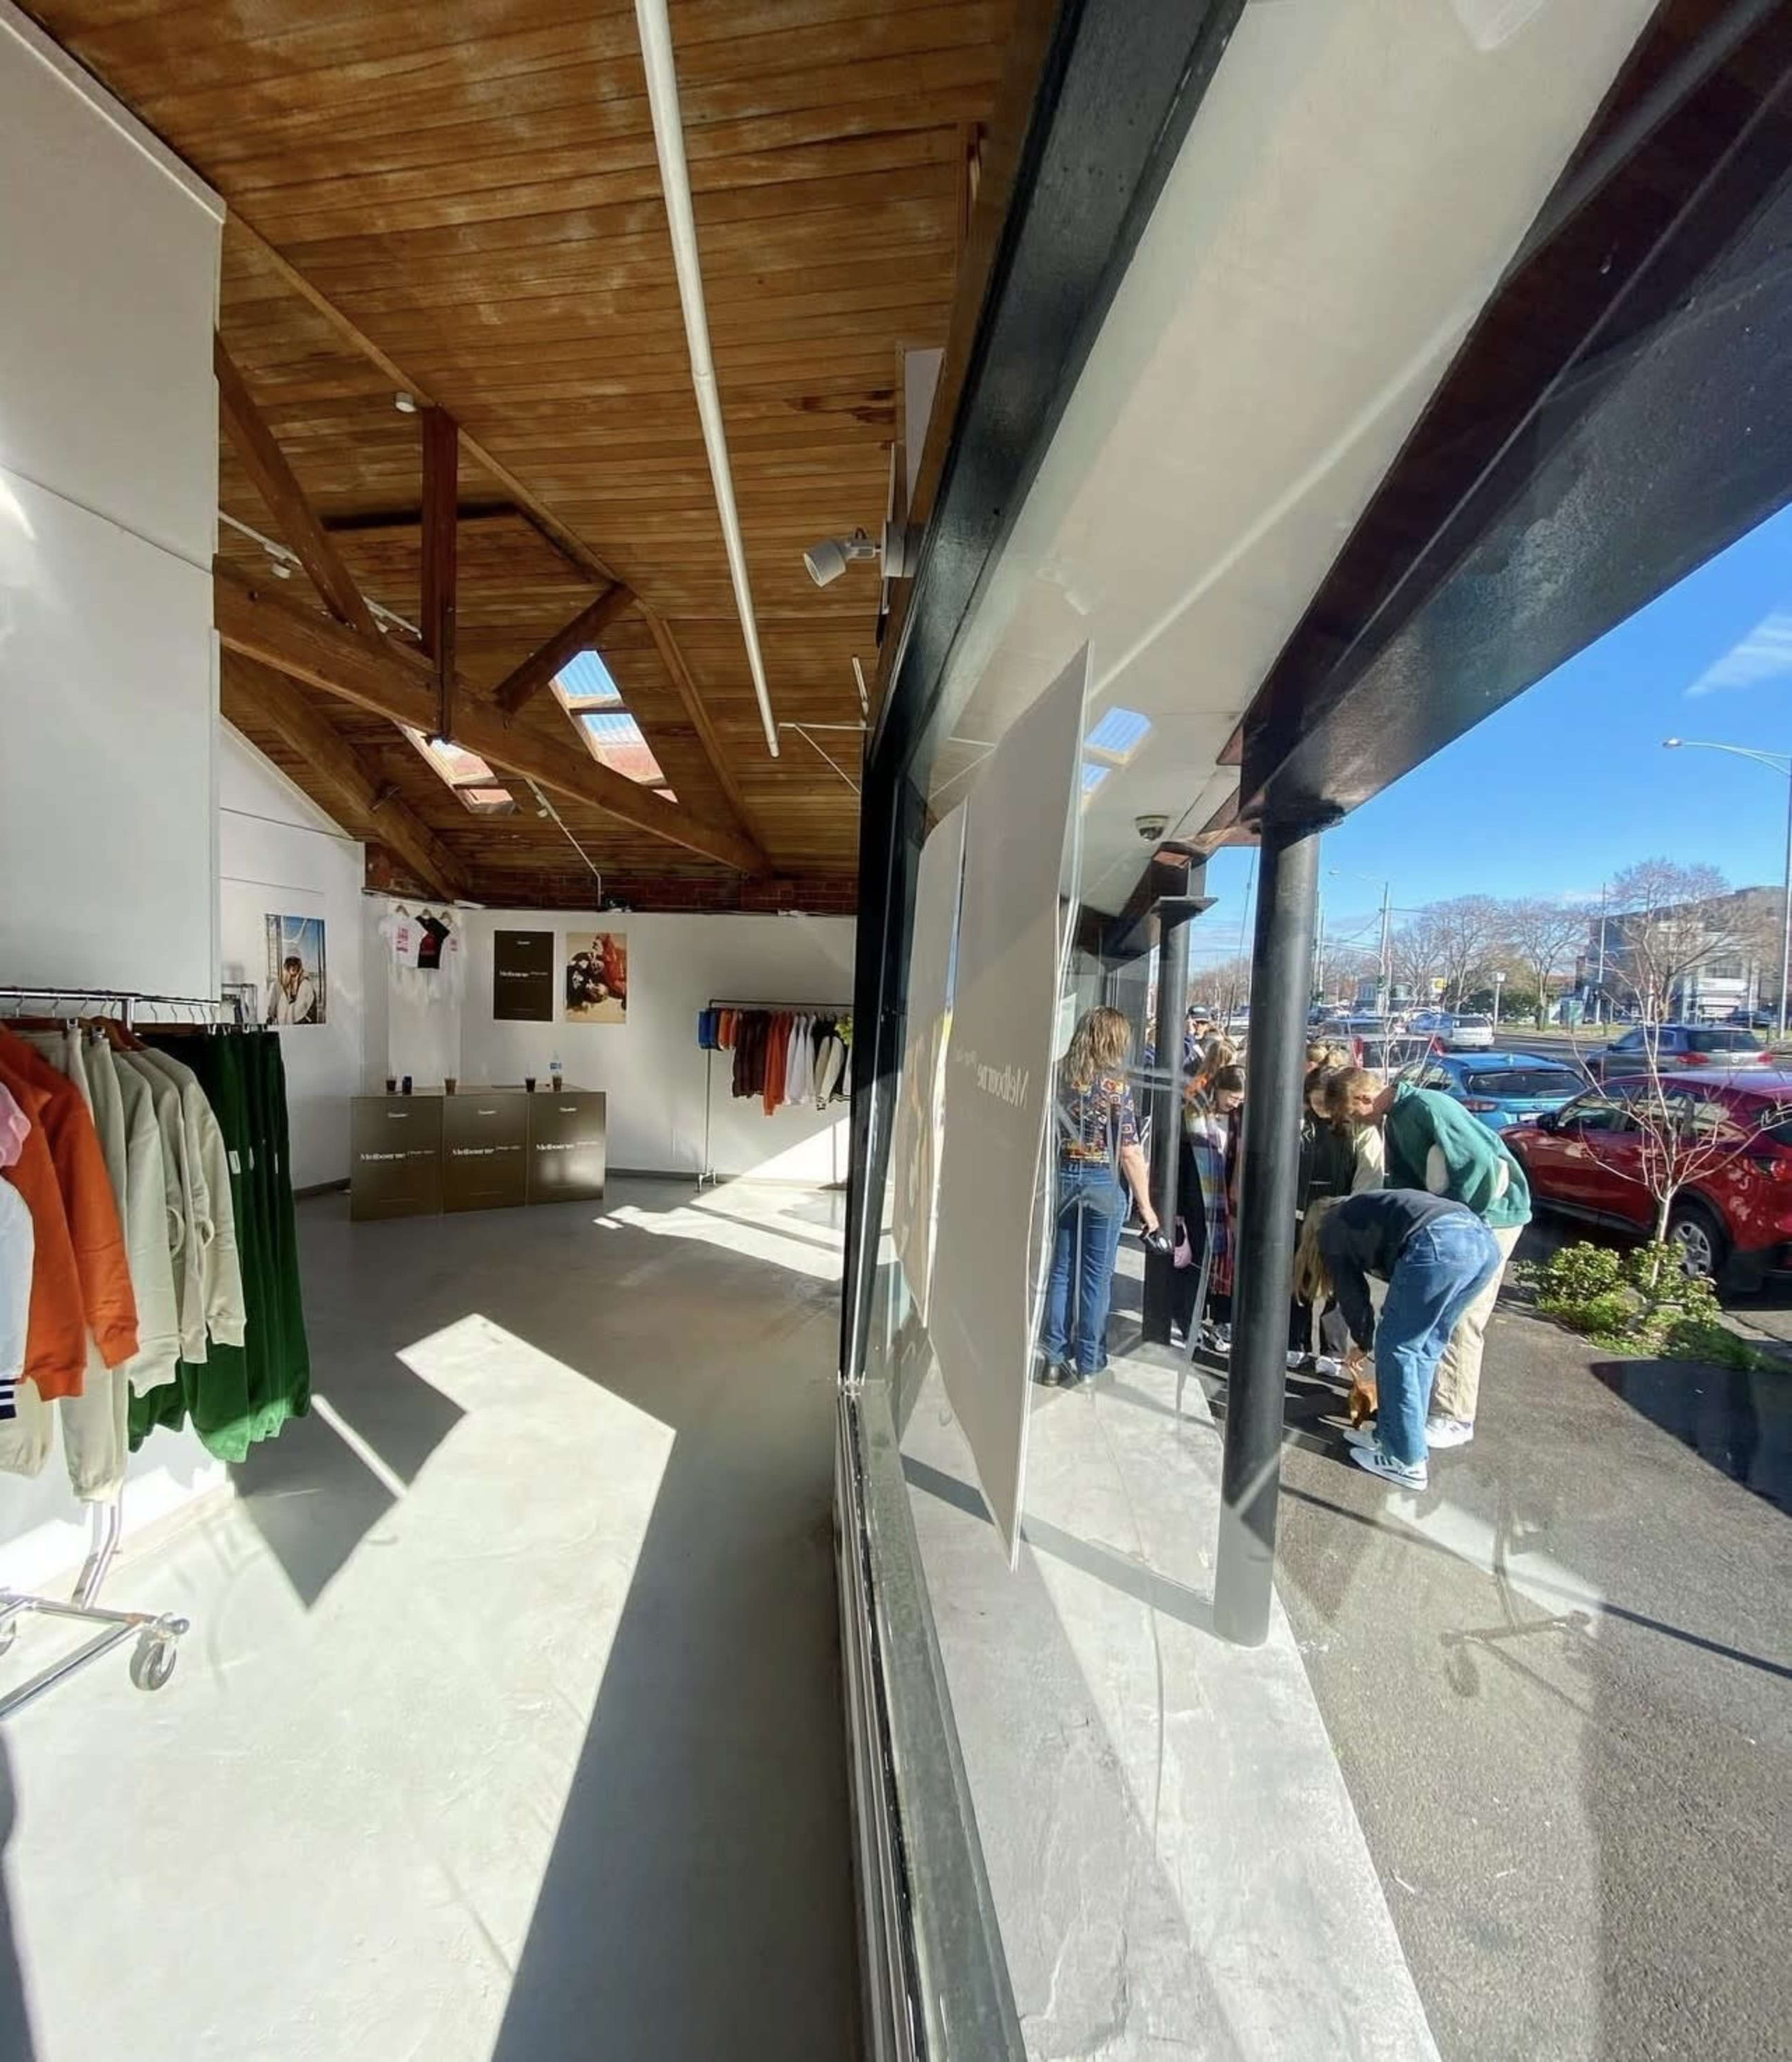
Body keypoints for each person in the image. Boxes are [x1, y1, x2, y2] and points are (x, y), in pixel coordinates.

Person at [1327, 1068, 1528, 1449]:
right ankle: (1416, 1411)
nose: (1355, 1125)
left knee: (1461, 1316)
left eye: (1352, 1116)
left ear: (1363, 1100)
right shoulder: (1398, 1118)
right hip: (1451, 1222)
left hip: (1489, 1218)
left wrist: (1462, 1222)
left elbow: (1480, 1165)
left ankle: (1453, 1416)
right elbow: (1405, 1185)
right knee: (1427, 1316)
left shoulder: (1426, 1107)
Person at [1297, 1191, 1501, 1488]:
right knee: (1426, 1348)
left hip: (1441, 1242)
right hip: (1484, 1244)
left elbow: (1353, 1296)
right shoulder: (1364, 1207)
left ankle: (1407, 1461)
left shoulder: (1330, 1227)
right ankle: (1392, 1437)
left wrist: (1365, 1341)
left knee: (1397, 1348)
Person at [1041, 1006, 1159, 1385]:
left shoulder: (1057, 1074)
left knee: (1060, 1271)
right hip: (1101, 1180)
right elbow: (1129, 1152)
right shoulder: (1114, 1086)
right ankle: (1090, 1362)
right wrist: (1147, 1208)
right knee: (1096, 1277)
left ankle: (1053, 1360)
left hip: (1063, 1177)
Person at [1290, 1068, 1356, 1370]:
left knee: (1338, 1284)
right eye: (1314, 1101)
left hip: (1339, 1209)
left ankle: (1333, 1350)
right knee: (1300, 1277)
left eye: (1324, 1102)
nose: (1319, 1108)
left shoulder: (1352, 1130)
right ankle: (1297, 1341)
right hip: (1303, 1208)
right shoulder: (1303, 1125)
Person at [1176, 1061, 1244, 1346]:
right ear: (1218, 1090)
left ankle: (1220, 1320)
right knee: (1197, 1264)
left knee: (1224, 1263)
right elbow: (1180, 1162)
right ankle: (1188, 1320)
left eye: (1240, 1099)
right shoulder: (1192, 1115)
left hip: (1226, 1200)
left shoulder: (1240, 1120)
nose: (1235, 1104)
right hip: (1197, 1199)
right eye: (1232, 1097)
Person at [1323, 1066, 1387, 1193]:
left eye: (1351, 1116)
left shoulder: (1366, 1132)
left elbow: (1367, 1188)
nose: (1350, 1123)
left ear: (1366, 1100)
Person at [265, 954, 318, 1026]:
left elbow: (312, 1007)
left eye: (295, 963)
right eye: (290, 964)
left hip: (301, 1027)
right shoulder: (278, 985)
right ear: (286, 966)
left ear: (299, 965)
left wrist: (306, 1022)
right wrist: (271, 1017)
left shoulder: (306, 985)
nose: (293, 967)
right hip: (283, 1026)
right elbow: (272, 1007)